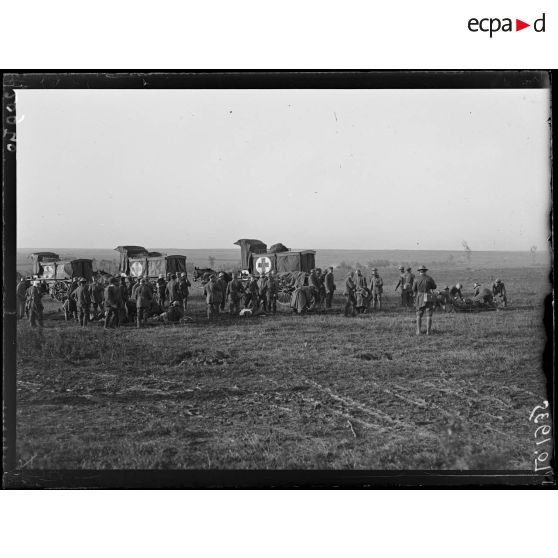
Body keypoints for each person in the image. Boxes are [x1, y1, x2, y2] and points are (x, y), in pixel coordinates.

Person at [412, 265, 437, 335]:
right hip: (428, 296)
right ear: (425, 271)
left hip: (420, 297)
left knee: (419, 314)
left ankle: (418, 331)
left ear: (419, 271)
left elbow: (413, 289)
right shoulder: (429, 278)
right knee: (429, 315)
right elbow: (434, 286)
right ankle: (428, 331)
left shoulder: (416, 279)